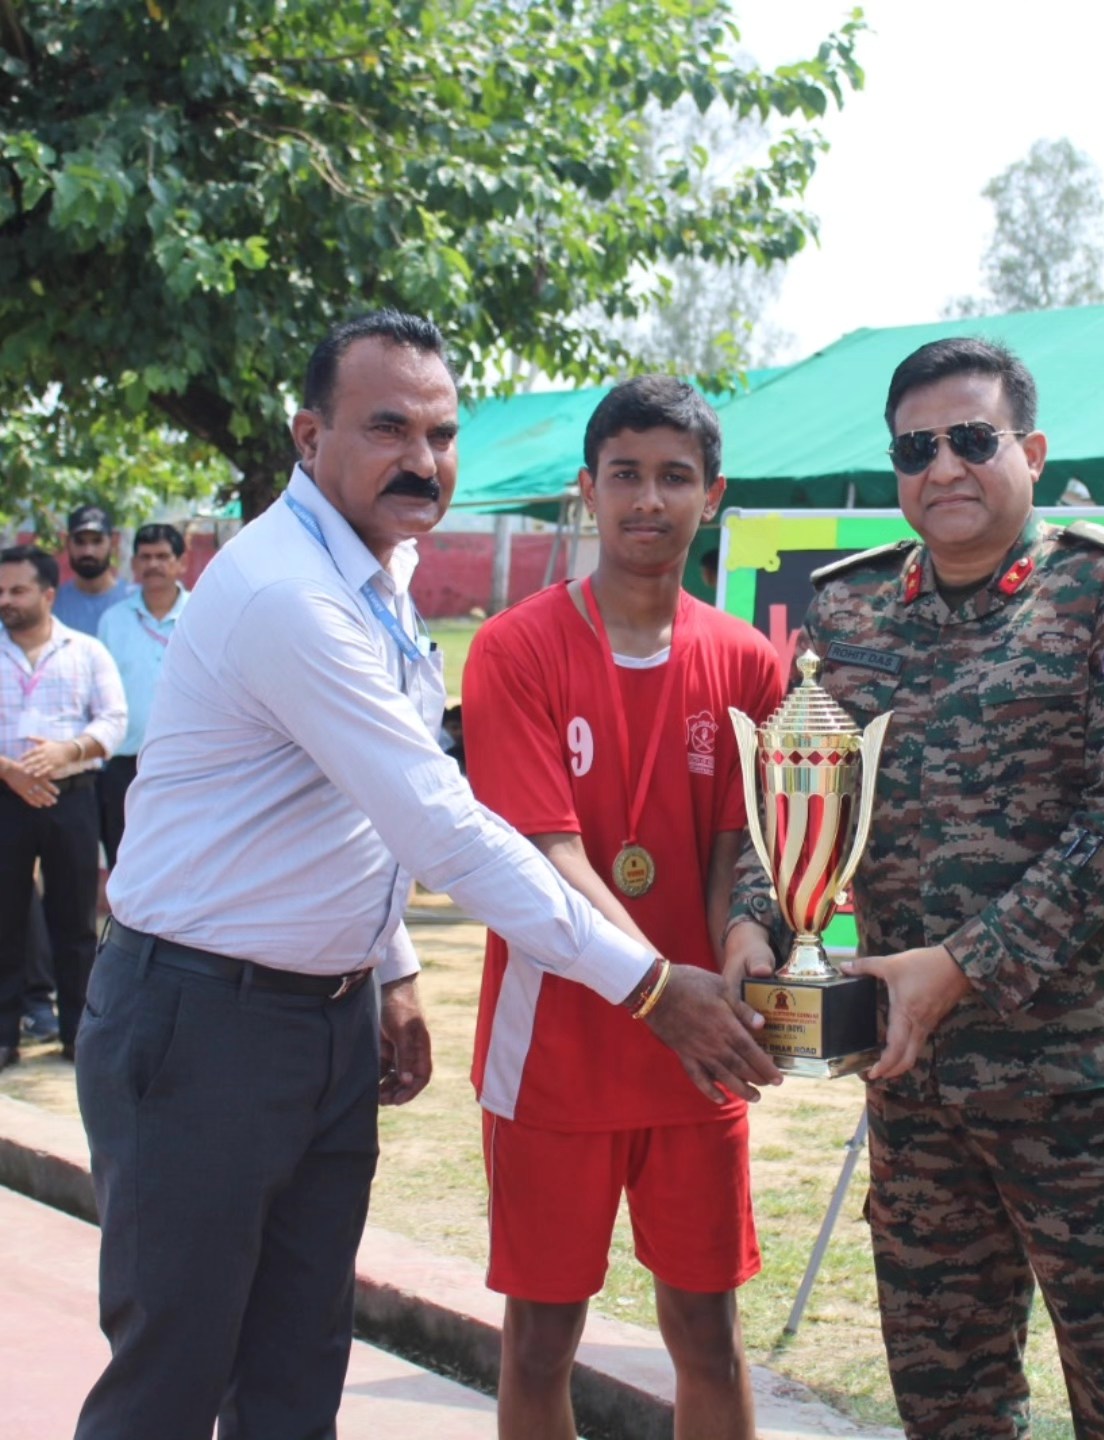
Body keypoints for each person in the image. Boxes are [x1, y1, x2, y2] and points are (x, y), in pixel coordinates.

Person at [73, 310, 780, 1440]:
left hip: (322, 1019)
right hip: (201, 1021)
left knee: (296, 1371)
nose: (423, 459)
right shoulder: (292, 594)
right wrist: (653, 987)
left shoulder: (379, 572)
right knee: (173, 1379)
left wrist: (392, 967)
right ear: (310, 436)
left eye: (441, 434)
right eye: (387, 428)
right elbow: (441, 824)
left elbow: (349, 809)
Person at [724, 337, 1104, 1439]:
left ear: (1031, 451)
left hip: (1081, 1094)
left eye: (973, 440)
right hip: (916, 1091)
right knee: (947, 1408)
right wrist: (758, 917)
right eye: (915, 449)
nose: (942, 467)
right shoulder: (849, 612)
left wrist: (961, 966)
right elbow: (801, 786)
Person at [463, 376, 785, 1440]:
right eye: (627, 475)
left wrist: (742, 947)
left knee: (708, 1334)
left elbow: (742, 851)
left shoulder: (748, 662)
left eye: (675, 477)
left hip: (698, 1051)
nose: (650, 500)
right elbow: (544, 851)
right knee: (540, 1341)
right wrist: (663, 991)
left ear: (713, 495)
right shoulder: (515, 647)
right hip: (556, 1048)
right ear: (587, 490)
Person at [0, 545, 126, 1069]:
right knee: (3, 918)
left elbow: (114, 720)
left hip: (70, 797)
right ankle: (5, 1035)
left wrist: (66, 752)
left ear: (49, 594)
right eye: (0, 591)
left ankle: (78, 1034)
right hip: (4, 799)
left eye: (18, 590)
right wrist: (10, 771)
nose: (6, 600)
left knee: (75, 920)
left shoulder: (86, 651)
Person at [95, 522, 189, 865]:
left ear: (181, 562)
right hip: (123, 765)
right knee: (126, 861)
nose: (153, 565)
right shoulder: (113, 620)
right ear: (134, 563)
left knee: (185, 860)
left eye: (163, 556)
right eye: (145, 557)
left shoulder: (203, 613)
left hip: (189, 762)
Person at [52, 505, 129, 635]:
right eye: (80, 542)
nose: (88, 551)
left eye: (97, 542)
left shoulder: (135, 601)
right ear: (67, 542)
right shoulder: (51, 604)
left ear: (113, 542)